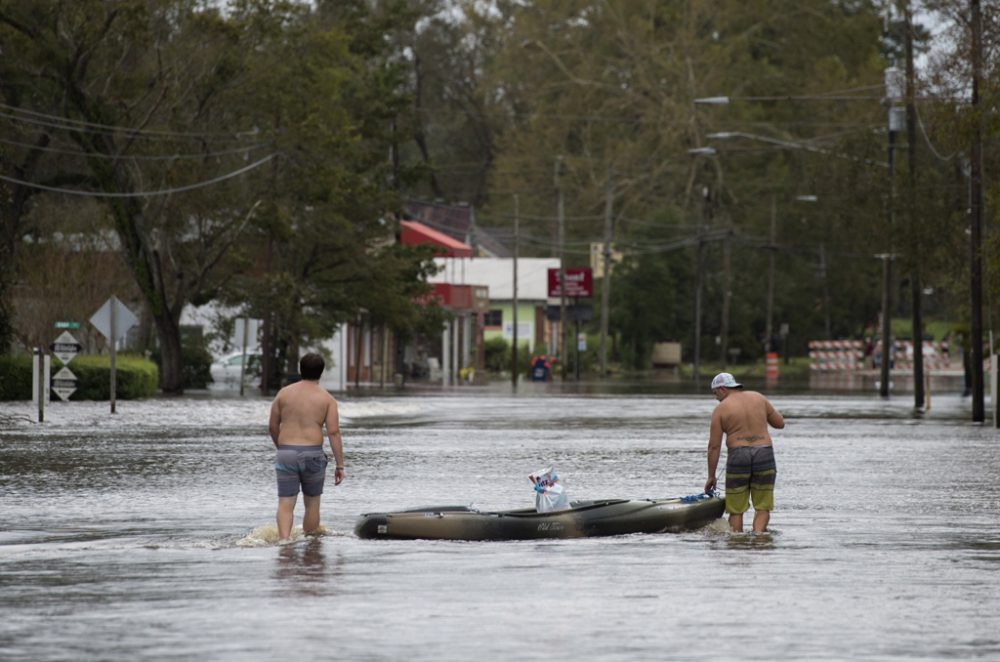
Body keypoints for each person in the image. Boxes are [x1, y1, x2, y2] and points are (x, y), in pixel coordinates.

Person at [268, 353, 344, 542]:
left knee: (286, 503)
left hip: (286, 452)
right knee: (312, 503)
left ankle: (285, 541)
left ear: (300, 369)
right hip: (313, 454)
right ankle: (310, 543)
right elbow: (333, 432)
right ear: (321, 372)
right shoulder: (327, 399)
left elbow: (272, 426)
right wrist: (340, 465)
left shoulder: (283, 394)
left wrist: (283, 448)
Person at [703, 372, 784, 533]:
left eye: (715, 393)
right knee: (762, 507)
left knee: (736, 509)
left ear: (722, 389)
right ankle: (759, 538)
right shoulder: (759, 398)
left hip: (738, 456)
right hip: (764, 453)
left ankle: (738, 545)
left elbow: (714, 446)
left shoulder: (721, 410)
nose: (716, 398)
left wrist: (711, 476)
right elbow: (780, 423)